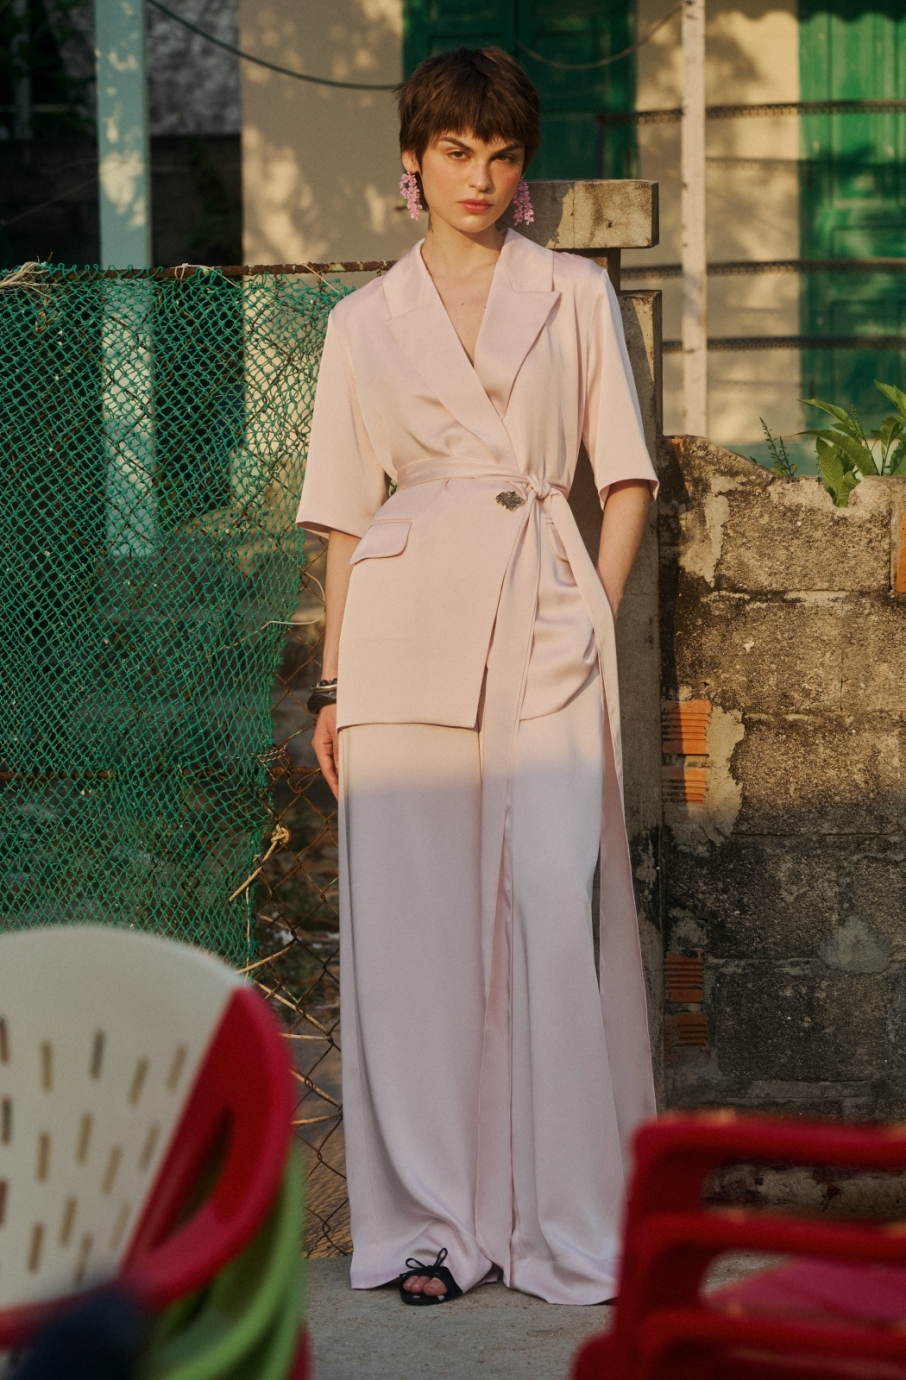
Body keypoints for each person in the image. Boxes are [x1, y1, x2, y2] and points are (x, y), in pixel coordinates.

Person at [296, 46, 658, 1308]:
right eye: (456, 151)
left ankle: (564, 1220)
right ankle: (436, 1226)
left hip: (547, 618)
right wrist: (333, 687)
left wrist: (590, 614)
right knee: (417, 939)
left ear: (522, 168)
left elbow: (625, 478)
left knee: (552, 908)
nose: (481, 176)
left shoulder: (574, 291)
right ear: (413, 161)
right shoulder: (361, 322)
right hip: (402, 639)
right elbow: (344, 519)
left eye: (502, 154)